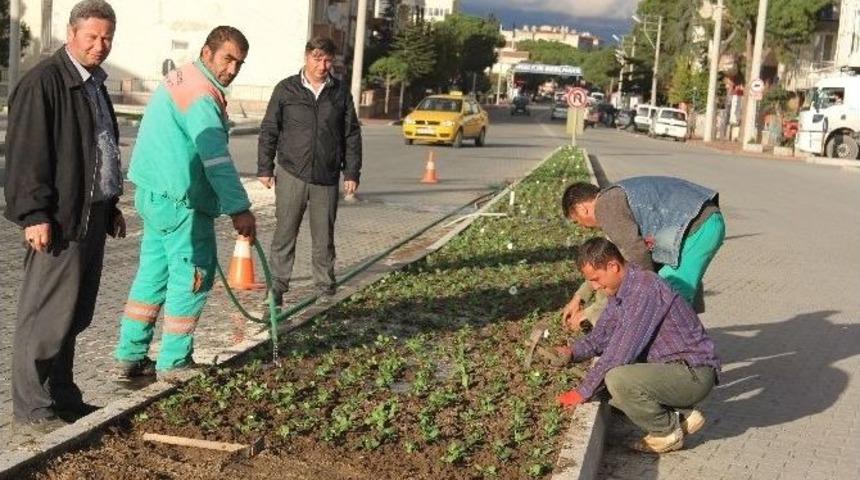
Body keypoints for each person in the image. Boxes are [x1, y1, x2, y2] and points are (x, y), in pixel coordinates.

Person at [3, 0, 124, 433]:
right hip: (57, 219)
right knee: (44, 313)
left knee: (74, 313)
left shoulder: (93, 83)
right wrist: (34, 214)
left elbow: (101, 148)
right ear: (72, 34)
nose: (100, 45)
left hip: (90, 214)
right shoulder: (45, 82)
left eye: (106, 37)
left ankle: (63, 396)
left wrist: (111, 206)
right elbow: (27, 156)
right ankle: (31, 409)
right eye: (92, 37)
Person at [114, 26, 256, 381]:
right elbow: (215, 157)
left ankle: (129, 356)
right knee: (193, 277)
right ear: (207, 52)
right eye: (228, 59)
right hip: (181, 201)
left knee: (152, 276)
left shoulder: (179, 78)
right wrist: (239, 208)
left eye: (239, 63)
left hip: (153, 194)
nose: (233, 69)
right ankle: (175, 362)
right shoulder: (202, 96)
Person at [555, 238, 720, 454]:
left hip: (692, 374)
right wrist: (572, 352)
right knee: (606, 389)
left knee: (616, 378)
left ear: (613, 266)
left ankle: (667, 432)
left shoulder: (644, 289)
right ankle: (682, 417)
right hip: (672, 369)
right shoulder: (622, 290)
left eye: (596, 279)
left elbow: (620, 353)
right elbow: (602, 335)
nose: (595, 287)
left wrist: (581, 392)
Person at [257, 36, 362, 309]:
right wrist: (265, 167)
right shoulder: (286, 89)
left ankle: (325, 288)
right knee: (284, 233)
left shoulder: (339, 92)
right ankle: (277, 287)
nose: (322, 65)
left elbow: (351, 134)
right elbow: (270, 128)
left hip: (326, 177)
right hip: (292, 173)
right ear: (306, 57)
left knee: (324, 237)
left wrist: (351, 172)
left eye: (328, 60)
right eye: (317, 59)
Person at [560, 176, 725, 331]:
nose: (582, 226)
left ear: (583, 209)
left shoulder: (605, 206)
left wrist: (593, 313)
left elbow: (635, 254)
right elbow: (608, 260)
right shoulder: (612, 202)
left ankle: (683, 351)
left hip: (699, 226)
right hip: (700, 223)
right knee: (667, 295)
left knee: (667, 295)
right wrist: (580, 297)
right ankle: (683, 344)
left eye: (577, 221)